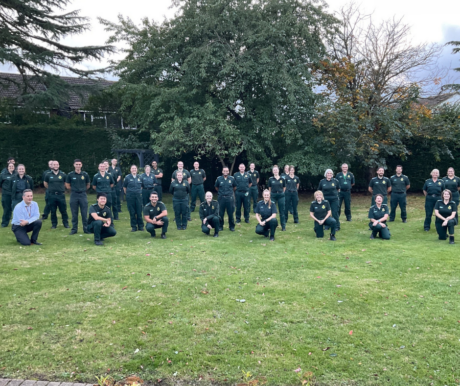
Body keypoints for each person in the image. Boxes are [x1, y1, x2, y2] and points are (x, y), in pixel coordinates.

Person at [65, 159, 90, 235]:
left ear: (81, 165)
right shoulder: (70, 175)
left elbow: (88, 184)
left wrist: (82, 189)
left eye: (79, 164)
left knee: (84, 213)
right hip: (74, 195)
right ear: (74, 165)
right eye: (76, 164)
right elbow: (67, 185)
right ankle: (74, 229)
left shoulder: (85, 174)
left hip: (83, 195)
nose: (78, 166)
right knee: (74, 213)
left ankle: (86, 229)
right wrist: (74, 189)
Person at [44, 161, 69, 229]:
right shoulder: (48, 174)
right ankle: (54, 224)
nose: (55, 166)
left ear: (59, 165)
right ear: (52, 166)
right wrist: (51, 189)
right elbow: (45, 184)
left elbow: (65, 183)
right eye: (54, 164)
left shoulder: (63, 174)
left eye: (57, 164)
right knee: (53, 211)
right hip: (52, 195)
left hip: (61, 195)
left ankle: (66, 224)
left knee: (63, 210)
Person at [215, 166, 237, 231]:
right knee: (221, 213)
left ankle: (231, 226)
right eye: (224, 171)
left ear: (228, 171)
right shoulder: (219, 179)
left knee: (230, 213)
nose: (225, 172)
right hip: (221, 198)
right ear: (222, 171)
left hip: (229, 198)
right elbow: (216, 187)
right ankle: (220, 226)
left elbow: (235, 187)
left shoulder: (232, 179)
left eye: (226, 171)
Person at [123, 165, 144, 232]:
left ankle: (140, 226)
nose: (134, 169)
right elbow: (124, 187)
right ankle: (134, 227)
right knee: (132, 212)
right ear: (130, 170)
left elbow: (142, 186)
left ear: (137, 170)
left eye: (135, 168)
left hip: (138, 196)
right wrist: (128, 194)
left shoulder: (140, 177)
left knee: (139, 211)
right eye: (133, 168)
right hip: (130, 196)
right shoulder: (127, 177)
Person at [267, 165, 286, 231]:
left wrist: (282, 193)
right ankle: (270, 226)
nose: (275, 171)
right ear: (273, 171)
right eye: (274, 170)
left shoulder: (282, 179)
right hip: (273, 195)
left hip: (281, 195)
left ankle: (283, 226)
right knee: (271, 211)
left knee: (282, 211)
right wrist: (269, 196)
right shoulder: (270, 179)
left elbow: (284, 188)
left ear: (278, 170)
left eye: (276, 170)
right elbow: (269, 188)